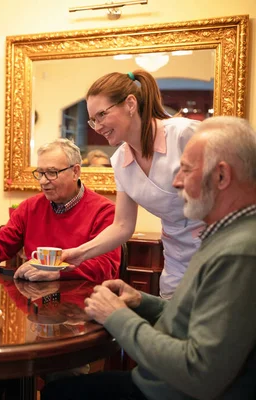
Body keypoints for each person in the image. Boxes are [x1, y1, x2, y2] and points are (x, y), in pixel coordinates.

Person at [42, 116, 256, 400]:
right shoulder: (225, 235)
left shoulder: (239, 252)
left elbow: (198, 371)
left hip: (165, 392)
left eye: (186, 170)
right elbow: (194, 323)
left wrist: (116, 316)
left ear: (221, 176)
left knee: (59, 392)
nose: (176, 182)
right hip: (160, 384)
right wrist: (142, 301)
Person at [63, 69, 203, 299]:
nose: (97, 127)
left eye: (102, 115)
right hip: (177, 265)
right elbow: (122, 226)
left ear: (130, 104)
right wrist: (79, 253)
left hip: (221, 256)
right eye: (92, 120)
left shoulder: (183, 135)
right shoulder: (120, 161)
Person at [0, 139, 120, 283]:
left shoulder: (104, 211)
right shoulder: (29, 207)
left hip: (84, 302)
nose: (43, 181)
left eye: (52, 172)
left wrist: (58, 271)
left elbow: (106, 267)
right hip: (35, 299)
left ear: (75, 172)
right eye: (40, 173)